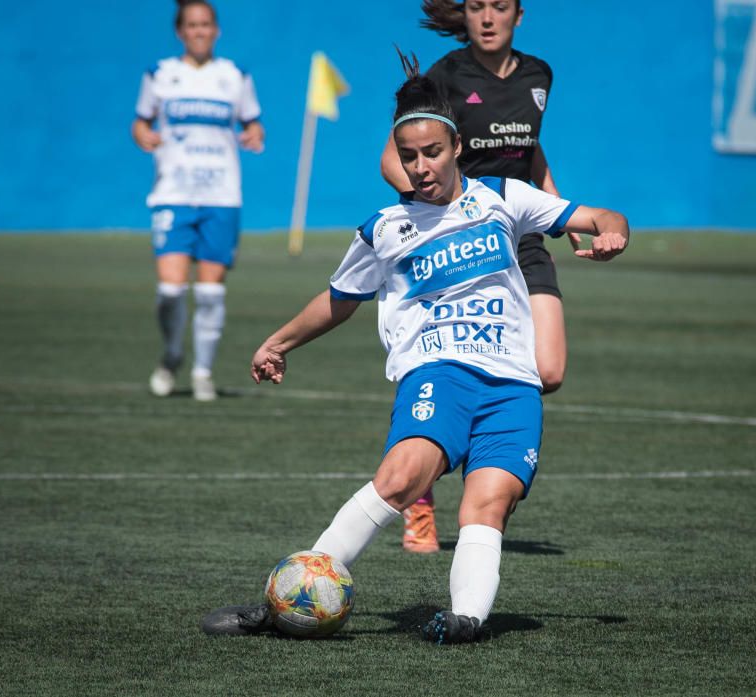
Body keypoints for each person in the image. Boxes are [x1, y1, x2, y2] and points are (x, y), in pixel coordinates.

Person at [201, 51, 628, 644]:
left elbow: (602, 213)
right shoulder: (385, 227)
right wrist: (279, 341)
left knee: (488, 504)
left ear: (456, 148)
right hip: (440, 370)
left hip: (513, 386)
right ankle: (282, 604)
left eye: (432, 153)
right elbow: (339, 299)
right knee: (401, 477)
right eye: (409, 156)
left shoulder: (505, 196)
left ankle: (466, 621)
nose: (422, 167)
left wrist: (613, 235)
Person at [381, 0, 575, 552]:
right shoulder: (445, 76)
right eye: (475, 7)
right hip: (460, 242)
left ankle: (482, 476)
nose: (487, 17)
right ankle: (421, 493)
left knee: (549, 370)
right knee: (446, 361)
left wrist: (560, 212)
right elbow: (393, 159)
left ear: (520, 14)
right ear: (463, 16)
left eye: (499, 6)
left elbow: (530, 152)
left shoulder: (539, 75)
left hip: (523, 234)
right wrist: (431, 215)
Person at [132, 0, 264, 401]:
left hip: (221, 196)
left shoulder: (234, 76)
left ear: (216, 30)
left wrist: (254, 134)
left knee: (210, 293)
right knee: (171, 290)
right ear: (180, 31)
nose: (199, 31)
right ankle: (172, 354)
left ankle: (203, 370)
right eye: (191, 24)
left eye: (206, 24)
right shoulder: (160, 74)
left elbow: (252, 122)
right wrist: (142, 135)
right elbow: (141, 121)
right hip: (173, 193)